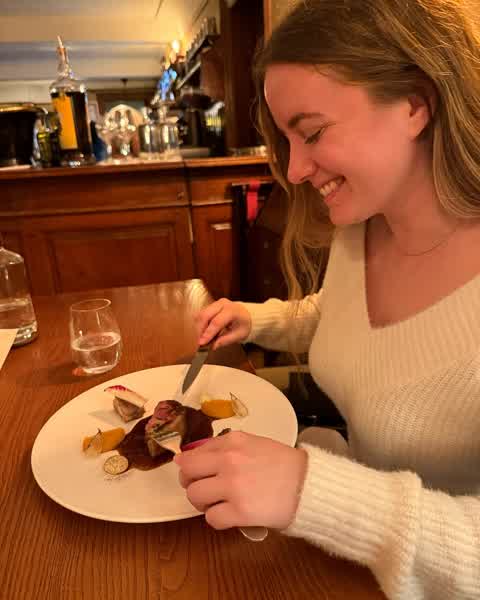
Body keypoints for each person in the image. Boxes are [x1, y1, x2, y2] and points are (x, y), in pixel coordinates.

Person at [173, 1, 480, 598]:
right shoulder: (362, 231)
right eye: (287, 140)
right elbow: (341, 317)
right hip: (346, 558)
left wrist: (312, 493)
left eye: (311, 133)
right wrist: (257, 319)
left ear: (415, 103)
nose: (294, 169)